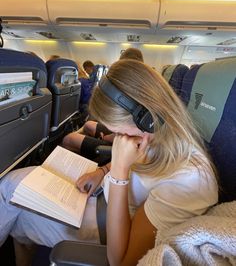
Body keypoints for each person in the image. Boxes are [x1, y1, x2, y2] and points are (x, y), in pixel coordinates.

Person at [0, 59, 218, 266]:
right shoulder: (159, 133)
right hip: (100, 196)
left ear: (146, 118)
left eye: (120, 132)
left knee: (10, 196)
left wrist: (120, 173)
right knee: (17, 187)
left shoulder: (189, 179)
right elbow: (141, 166)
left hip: (106, 224)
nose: (119, 139)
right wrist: (103, 171)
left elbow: (121, 260)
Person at [62, 48, 144, 158]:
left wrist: (105, 139)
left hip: (126, 147)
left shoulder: (126, 94)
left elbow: (125, 134)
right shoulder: (139, 88)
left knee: (68, 139)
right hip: (122, 136)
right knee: (88, 125)